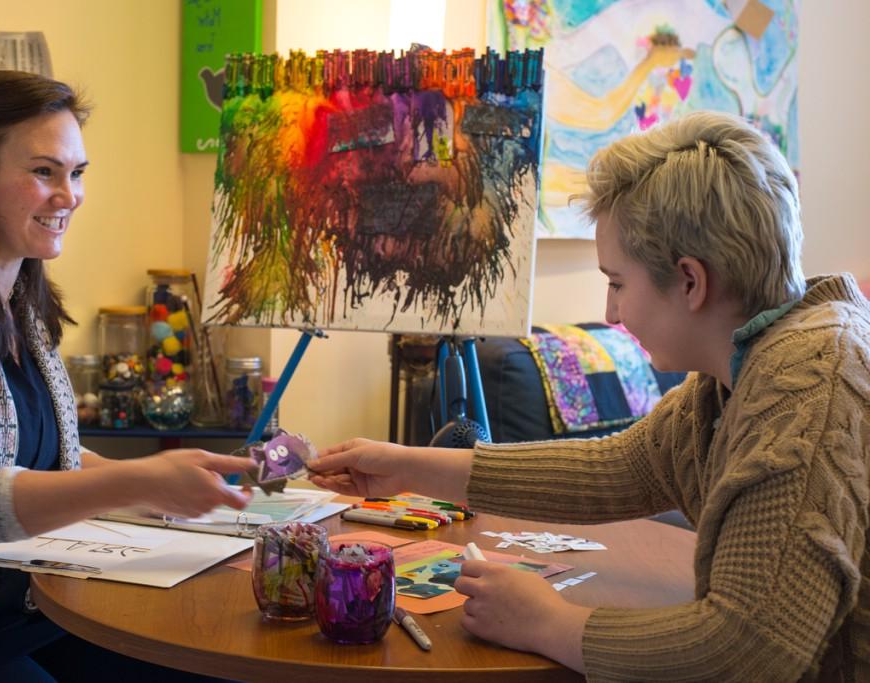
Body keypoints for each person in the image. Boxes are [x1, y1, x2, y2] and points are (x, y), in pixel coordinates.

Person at [309, 111, 869, 681]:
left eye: (617, 283)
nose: (610, 313)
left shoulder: (806, 387)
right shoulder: (742, 366)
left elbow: (749, 649)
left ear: (691, 281)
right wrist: (405, 467)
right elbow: (617, 468)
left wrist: (548, 623)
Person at [0, 71, 255, 682]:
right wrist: (136, 482)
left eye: (78, 172)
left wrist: (164, 485)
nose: (69, 195)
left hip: (41, 609)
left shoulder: (25, 307)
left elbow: (48, 458)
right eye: (44, 172)